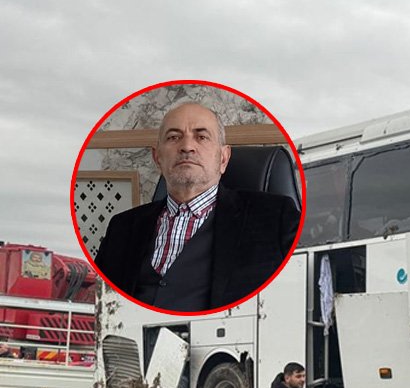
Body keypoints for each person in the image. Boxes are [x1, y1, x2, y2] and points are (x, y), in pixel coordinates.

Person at [93, 102, 300, 312]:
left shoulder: (276, 219)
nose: (187, 147)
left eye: (201, 137)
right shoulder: (122, 226)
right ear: (157, 158)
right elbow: (98, 299)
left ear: (223, 158)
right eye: (174, 137)